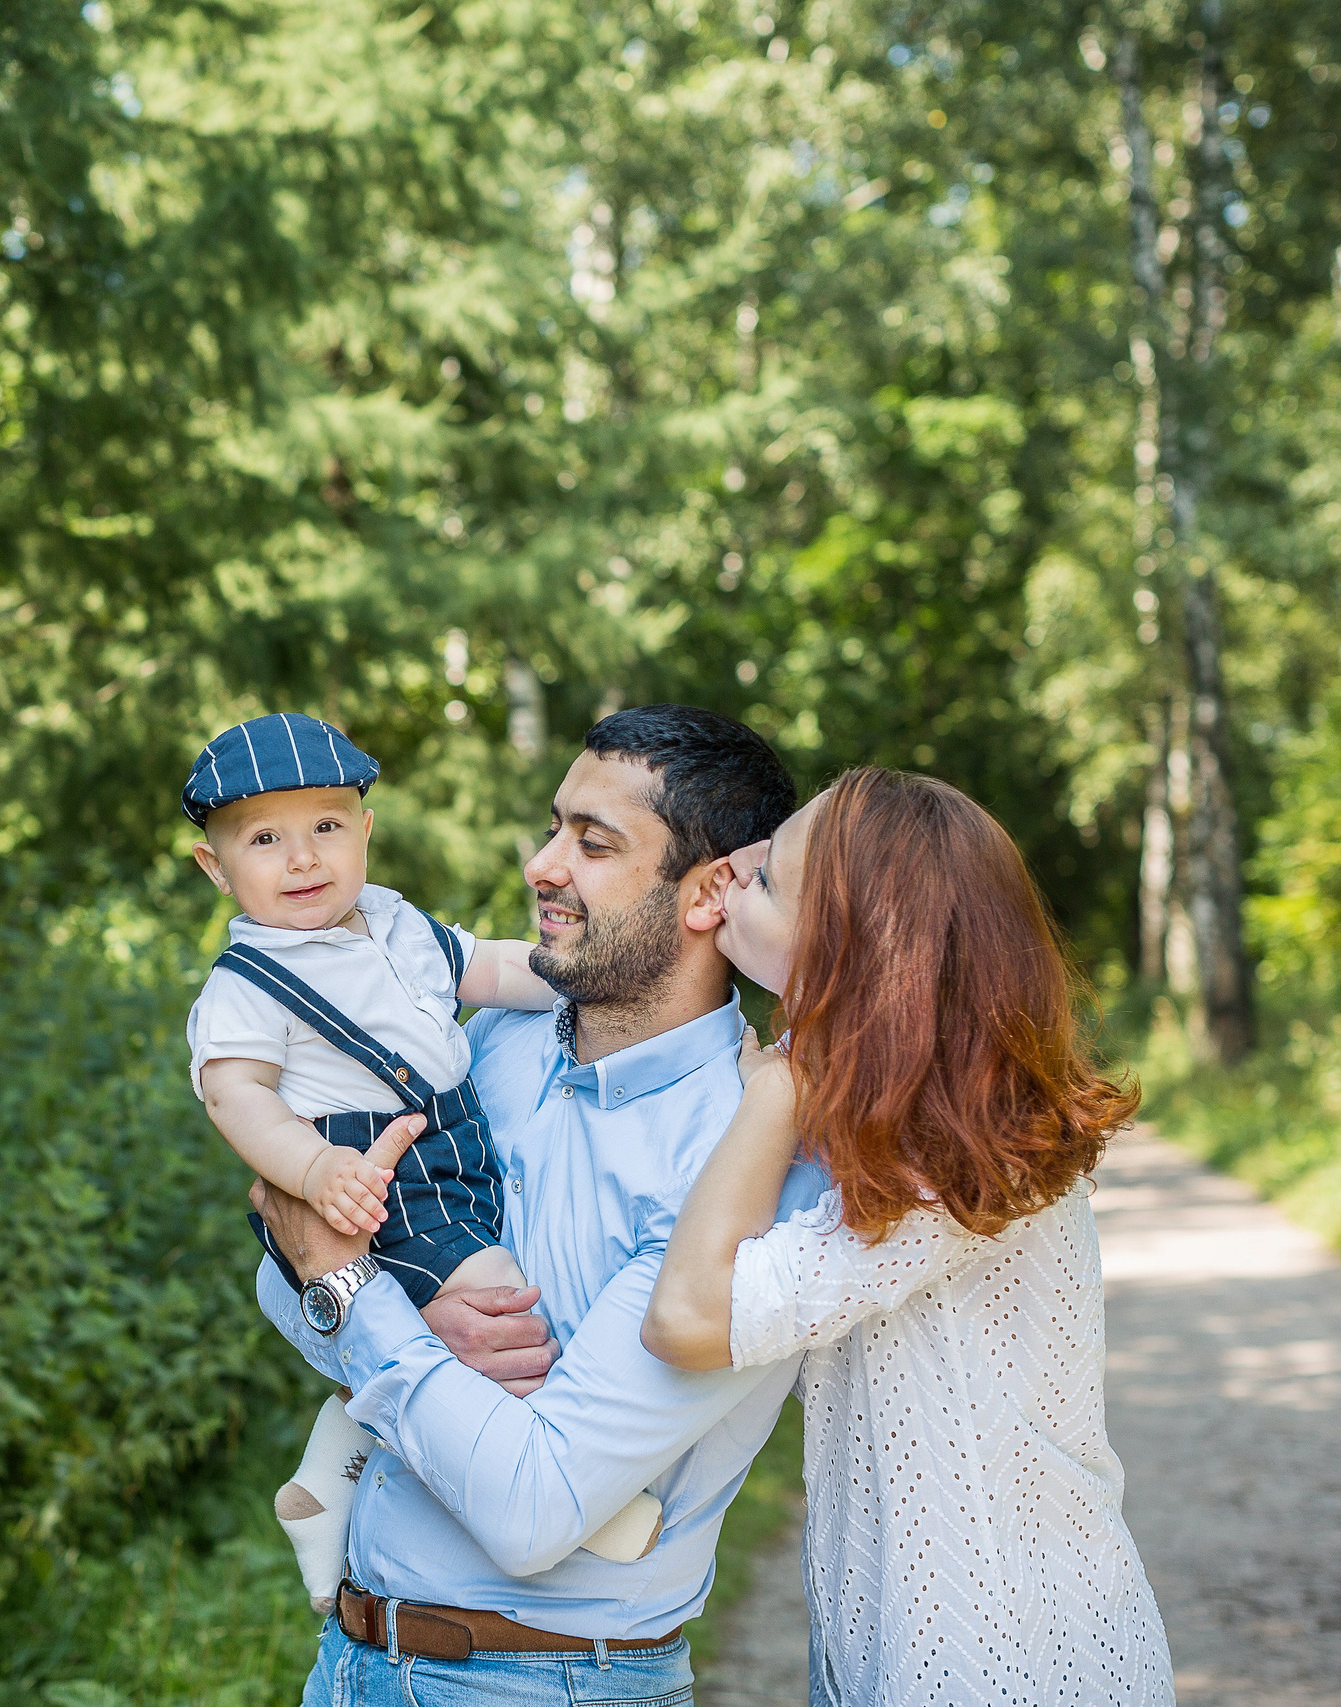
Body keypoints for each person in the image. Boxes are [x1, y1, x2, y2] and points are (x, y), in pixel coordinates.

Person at [250, 704, 819, 1703]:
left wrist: (357, 1290)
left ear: (710, 891)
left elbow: (531, 1508)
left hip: (548, 1681)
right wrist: (399, 1311)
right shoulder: (486, 1041)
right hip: (346, 1657)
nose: (541, 865)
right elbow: (276, 1259)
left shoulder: (746, 1162)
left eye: (592, 844)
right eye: (555, 826)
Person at [641, 767, 1176, 1706]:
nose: (734, 865)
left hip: (1004, 1666)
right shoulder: (908, 1118)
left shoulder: (952, 1174)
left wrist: (775, 1087)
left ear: (845, 955)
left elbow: (686, 1318)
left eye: (765, 877)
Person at [181, 711, 665, 1611]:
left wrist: (586, 976)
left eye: (327, 826)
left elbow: (489, 970)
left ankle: (328, 1476)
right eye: (264, 839)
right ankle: (576, 1491)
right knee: (502, 1310)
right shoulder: (247, 983)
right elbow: (235, 1095)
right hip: (377, 1175)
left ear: (365, 831)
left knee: (429, 1338)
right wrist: (315, 1170)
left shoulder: (395, 922)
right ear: (216, 867)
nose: (303, 858)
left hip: (448, 1148)